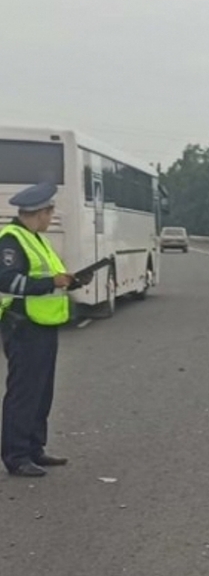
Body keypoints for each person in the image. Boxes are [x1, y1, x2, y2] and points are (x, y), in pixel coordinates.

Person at [0, 182, 93, 477]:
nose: (52, 216)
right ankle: (16, 456)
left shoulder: (35, 238)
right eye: (50, 210)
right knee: (24, 393)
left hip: (43, 326)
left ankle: (34, 448)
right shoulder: (11, 241)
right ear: (38, 212)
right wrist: (53, 282)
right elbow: (8, 282)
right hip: (23, 326)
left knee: (41, 392)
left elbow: (49, 278)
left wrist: (70, 281)